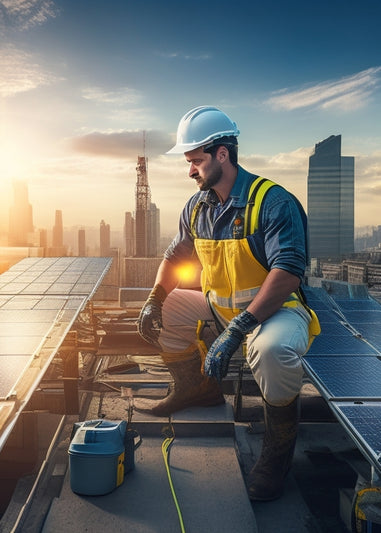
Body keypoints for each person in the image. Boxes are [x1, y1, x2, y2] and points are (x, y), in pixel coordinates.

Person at [136, 106, 320, 501]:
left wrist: (239, 329)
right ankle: (195, 389)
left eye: (196, 161)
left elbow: (288, 271)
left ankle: (276, 455)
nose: (190, 172)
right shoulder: (199, 207)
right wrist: (154, 298)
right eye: (189, 163)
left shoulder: (271, 202)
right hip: (221, 310)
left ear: (223, 154)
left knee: (273, 352)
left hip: (274, 313)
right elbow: (172, 259)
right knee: (167, 309)